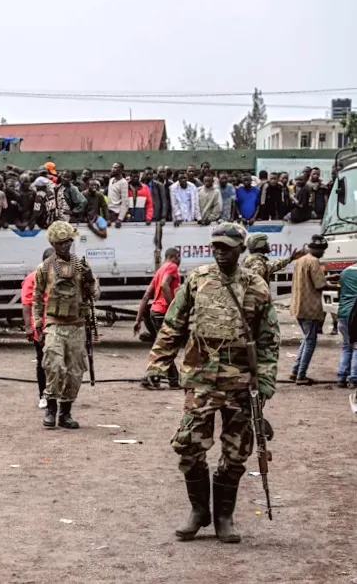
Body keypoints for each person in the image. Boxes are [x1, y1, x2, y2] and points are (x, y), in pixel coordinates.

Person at [144, 223, 279, 544]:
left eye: (227, 247)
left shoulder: (256, 286)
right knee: (189, 446)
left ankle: (224, 517)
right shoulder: (197, 280)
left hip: (240, 383)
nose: (219, 252)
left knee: (236, 452)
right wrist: (157, 363)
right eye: (215, 246)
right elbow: (173, 325)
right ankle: (198, 510)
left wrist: (266, 382)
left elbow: (268, 340)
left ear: (240, 249)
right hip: (201, 379)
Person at [32, 221, 94, 430]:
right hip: (55, 325)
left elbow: (95, 295)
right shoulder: (45, 267)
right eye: (60, 244)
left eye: (68, 242)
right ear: (54, 244)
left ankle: (65, 412)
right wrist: (38, 324)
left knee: (76, 372)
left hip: (76, 325)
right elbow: (37, 297)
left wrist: (90, 280)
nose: (65, 246)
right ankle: (51, 408)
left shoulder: (81, 265)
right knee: (54, 366)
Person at [289, 235, 337, 385]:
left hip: (299, 306)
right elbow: (319, 286)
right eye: (322, 251)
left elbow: (311, 280)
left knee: (306, 339)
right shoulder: (314, 261)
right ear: (317, 249)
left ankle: (295, 371)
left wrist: (329, 278)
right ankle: (301, 376)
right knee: (310, 341)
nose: (323, 254)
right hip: (309, 307)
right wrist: (338, 286)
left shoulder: (301, 260)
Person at [134, 248, 182, 389]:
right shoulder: (171, 267)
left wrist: (138, 320)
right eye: (179, 257)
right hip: (163, 312)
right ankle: (151, 377)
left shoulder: (159, 271)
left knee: (164, 346)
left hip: (154, 312)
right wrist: (173, 308)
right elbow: (164, 285)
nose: (180, 261)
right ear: (174, 257)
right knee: (168, 346)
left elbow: (146, 296)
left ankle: (173, 380)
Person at [22, 247, 56, 409]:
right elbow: (27, 304)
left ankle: (55, 393)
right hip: (41, 328)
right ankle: (43, 395)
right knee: (43, 362)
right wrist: (29, 327)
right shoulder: (33, 278)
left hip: (58, 327)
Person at [337, 262, 357, 389]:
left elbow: (339, 291)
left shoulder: (345, 272)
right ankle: (354, 378)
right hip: (355, 314)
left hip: (343, 313)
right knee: (356, 346)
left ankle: (341, 377)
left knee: (346, 345)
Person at [107, 162, 128, 227]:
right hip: (109, 213)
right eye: (112, 167)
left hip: (117, 213)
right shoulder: (111, 180)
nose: (113, 169)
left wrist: (120, 218)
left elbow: (125, 202)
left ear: (121, 170)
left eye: (115, 167)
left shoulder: (123, 182)